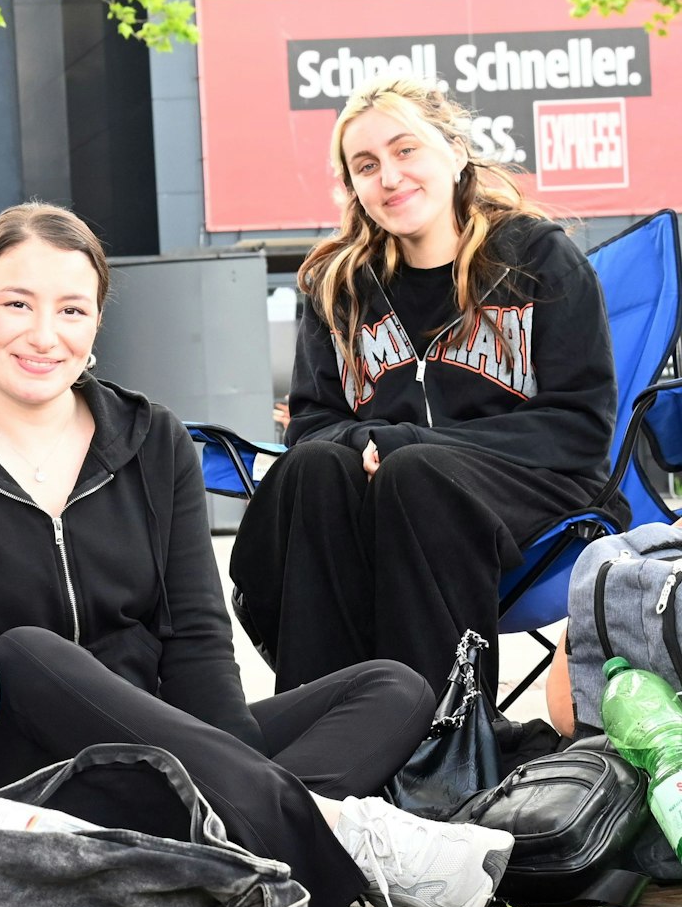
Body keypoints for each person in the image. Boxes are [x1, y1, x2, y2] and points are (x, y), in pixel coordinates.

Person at [0, 203, 515, 907]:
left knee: (395, 687)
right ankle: (327, 836)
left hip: (169, 753)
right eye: (17, 304)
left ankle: (228, 846)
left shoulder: (153, 439)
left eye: (71, 309)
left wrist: (225, 766)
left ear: (96, 324)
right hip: (22, 772)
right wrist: (221, 774)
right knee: (22, 654)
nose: (44, 334)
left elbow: (196, 640)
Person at [228, 76, 623, 696]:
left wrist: (409, 443)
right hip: (383, 498)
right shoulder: (339, 285)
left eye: (405, 149)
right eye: (366, 165)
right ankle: (326, 723)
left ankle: (445, 734)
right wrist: (365, 443)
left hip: (541, 492)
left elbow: (580, 429)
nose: (389, 176)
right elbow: (312, 424)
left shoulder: (535, 258)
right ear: (354, 187)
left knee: (415, 472)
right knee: (312, 470)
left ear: (455, 151)